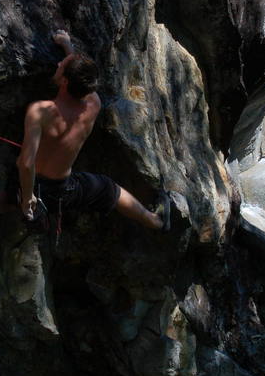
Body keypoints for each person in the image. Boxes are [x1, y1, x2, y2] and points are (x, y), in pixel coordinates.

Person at [15, 30, 169, 230]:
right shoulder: (93, 104)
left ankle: (2, 205)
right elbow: (83, 79)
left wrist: (28, 200)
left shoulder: (40, 111)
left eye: (62, 65)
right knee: (108, 189)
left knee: (17, 169)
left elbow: (27, 165)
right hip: (60, 191)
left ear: (65, 81)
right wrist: (67, 46)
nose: (59, 64)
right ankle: (156, 221)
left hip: (27, 187)